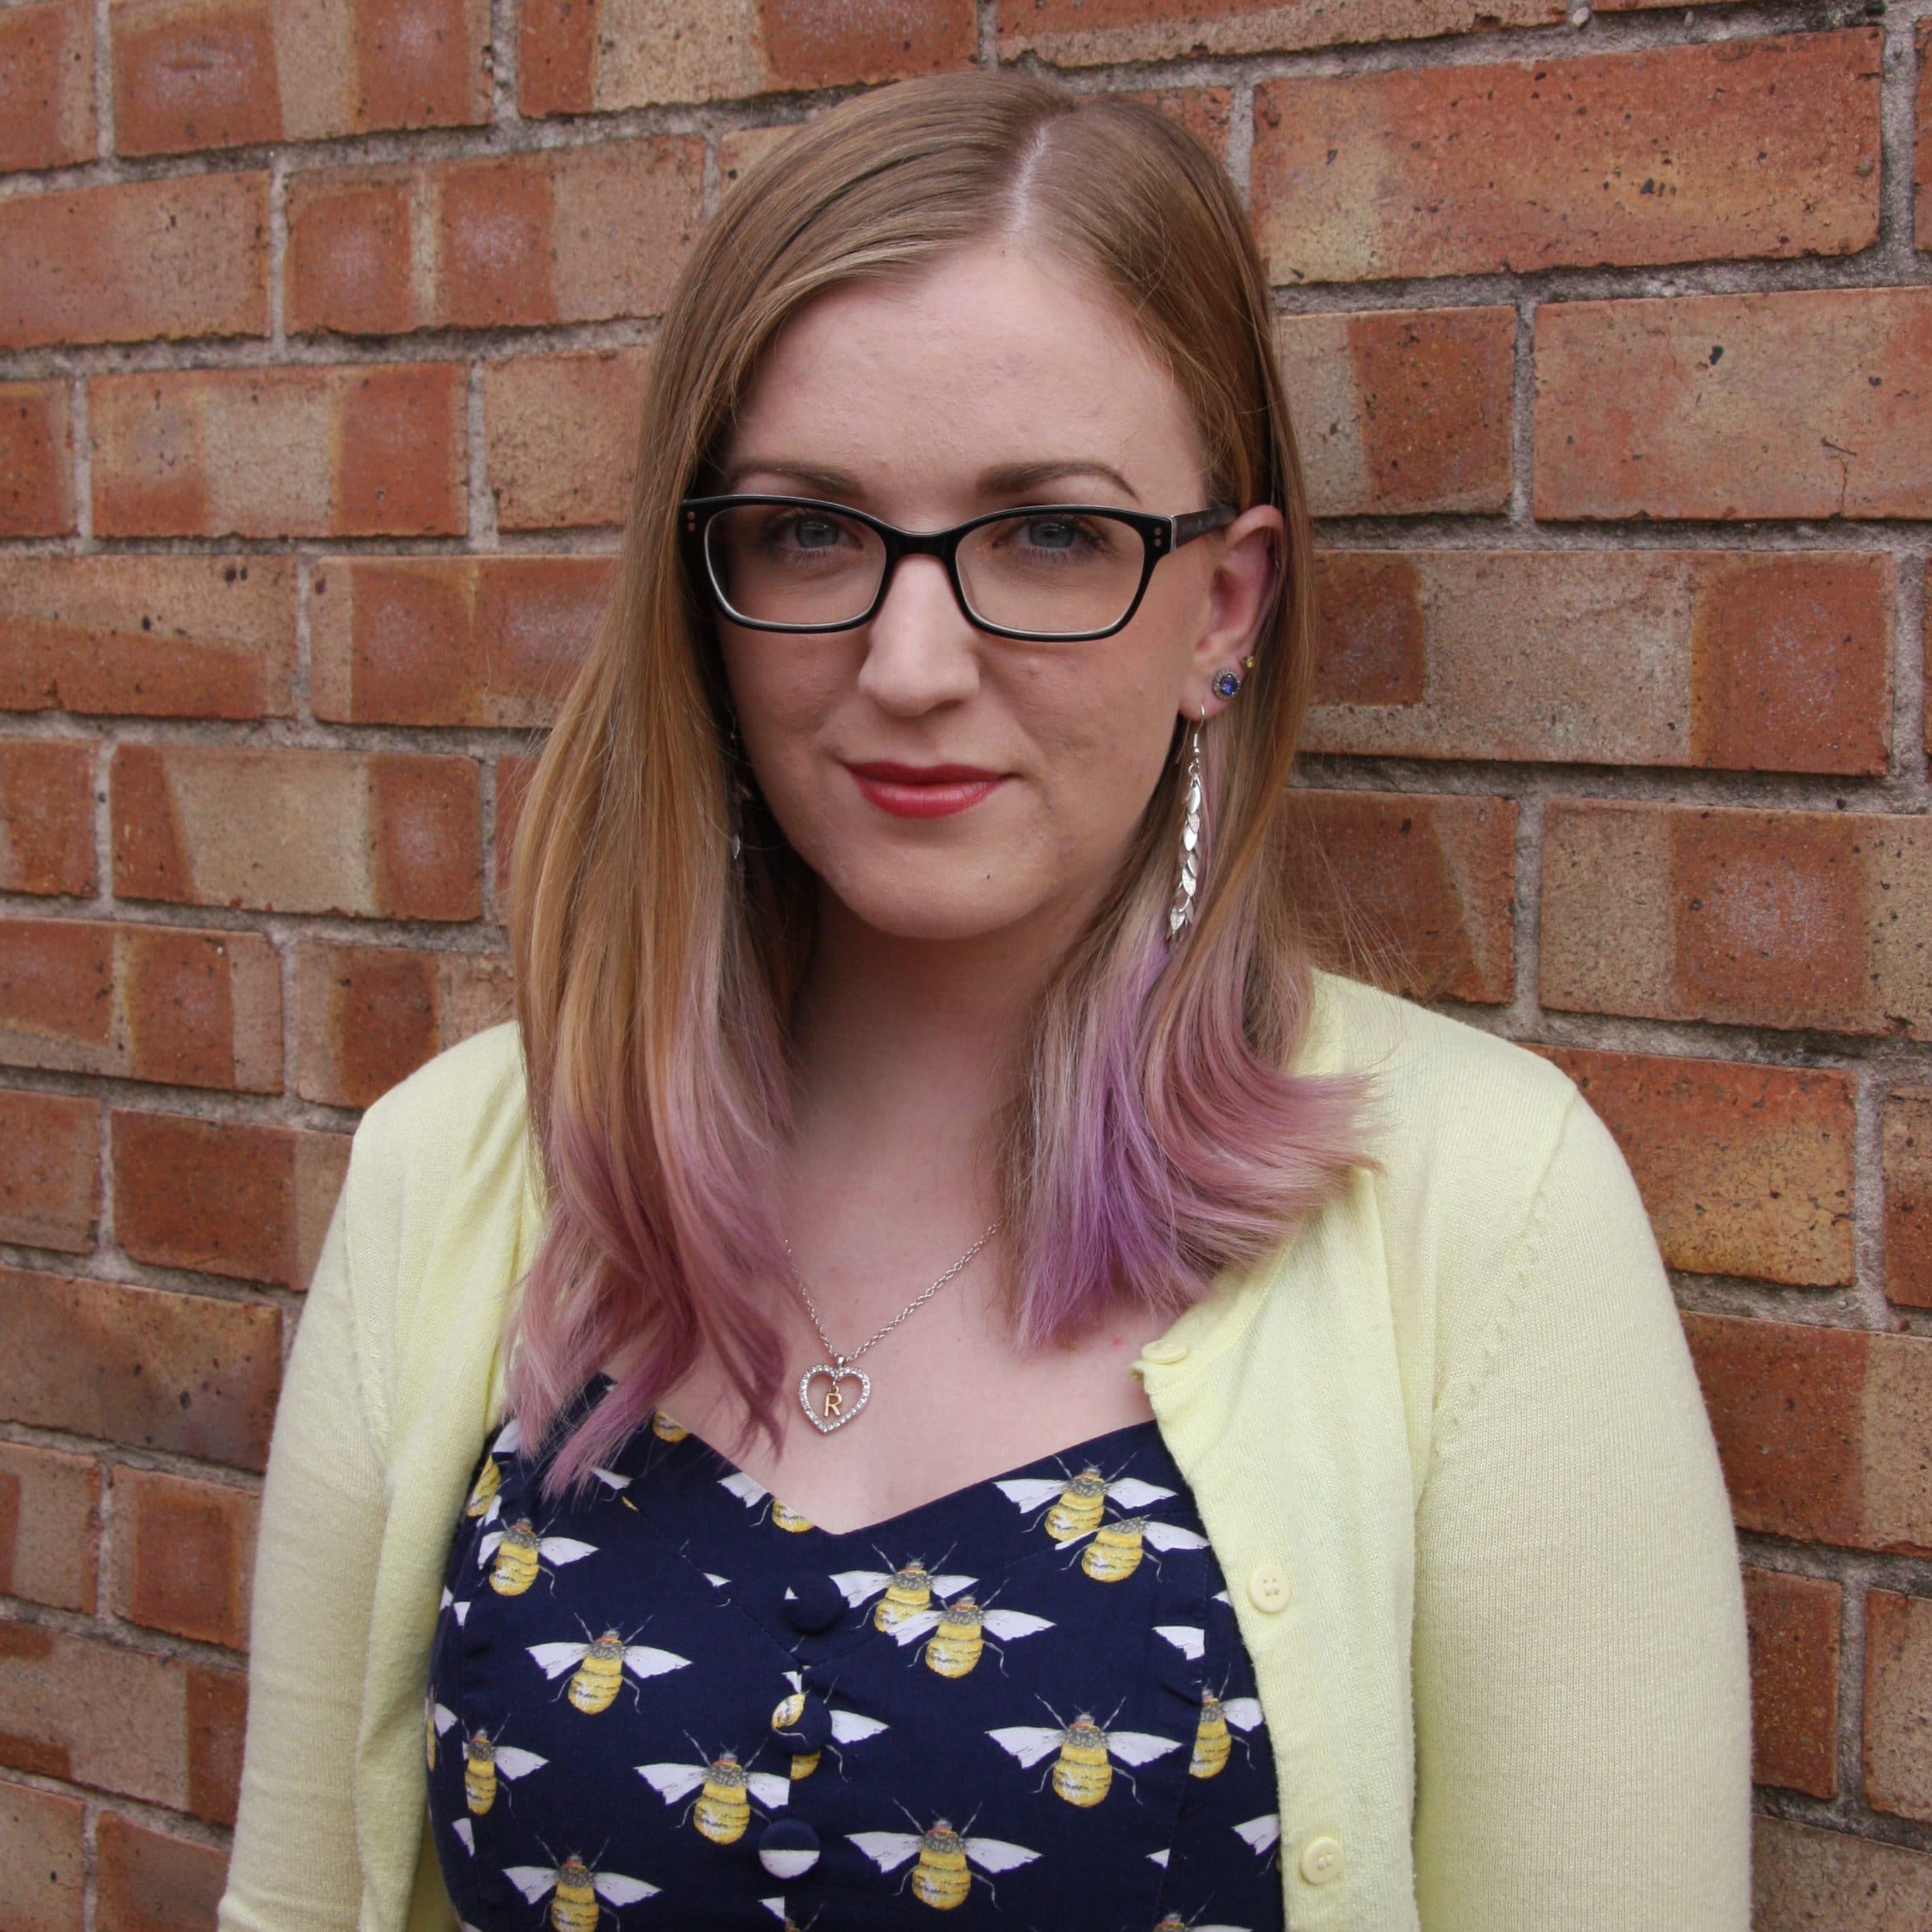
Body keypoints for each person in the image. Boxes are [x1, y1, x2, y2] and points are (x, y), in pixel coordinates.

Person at [217, 71, 1751, 1932]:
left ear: (1224, 608)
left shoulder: (1483, 1213)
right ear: (701, 587)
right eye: (807, 533)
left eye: (1049, 536)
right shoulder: (451, 1173)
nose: (911, 663)